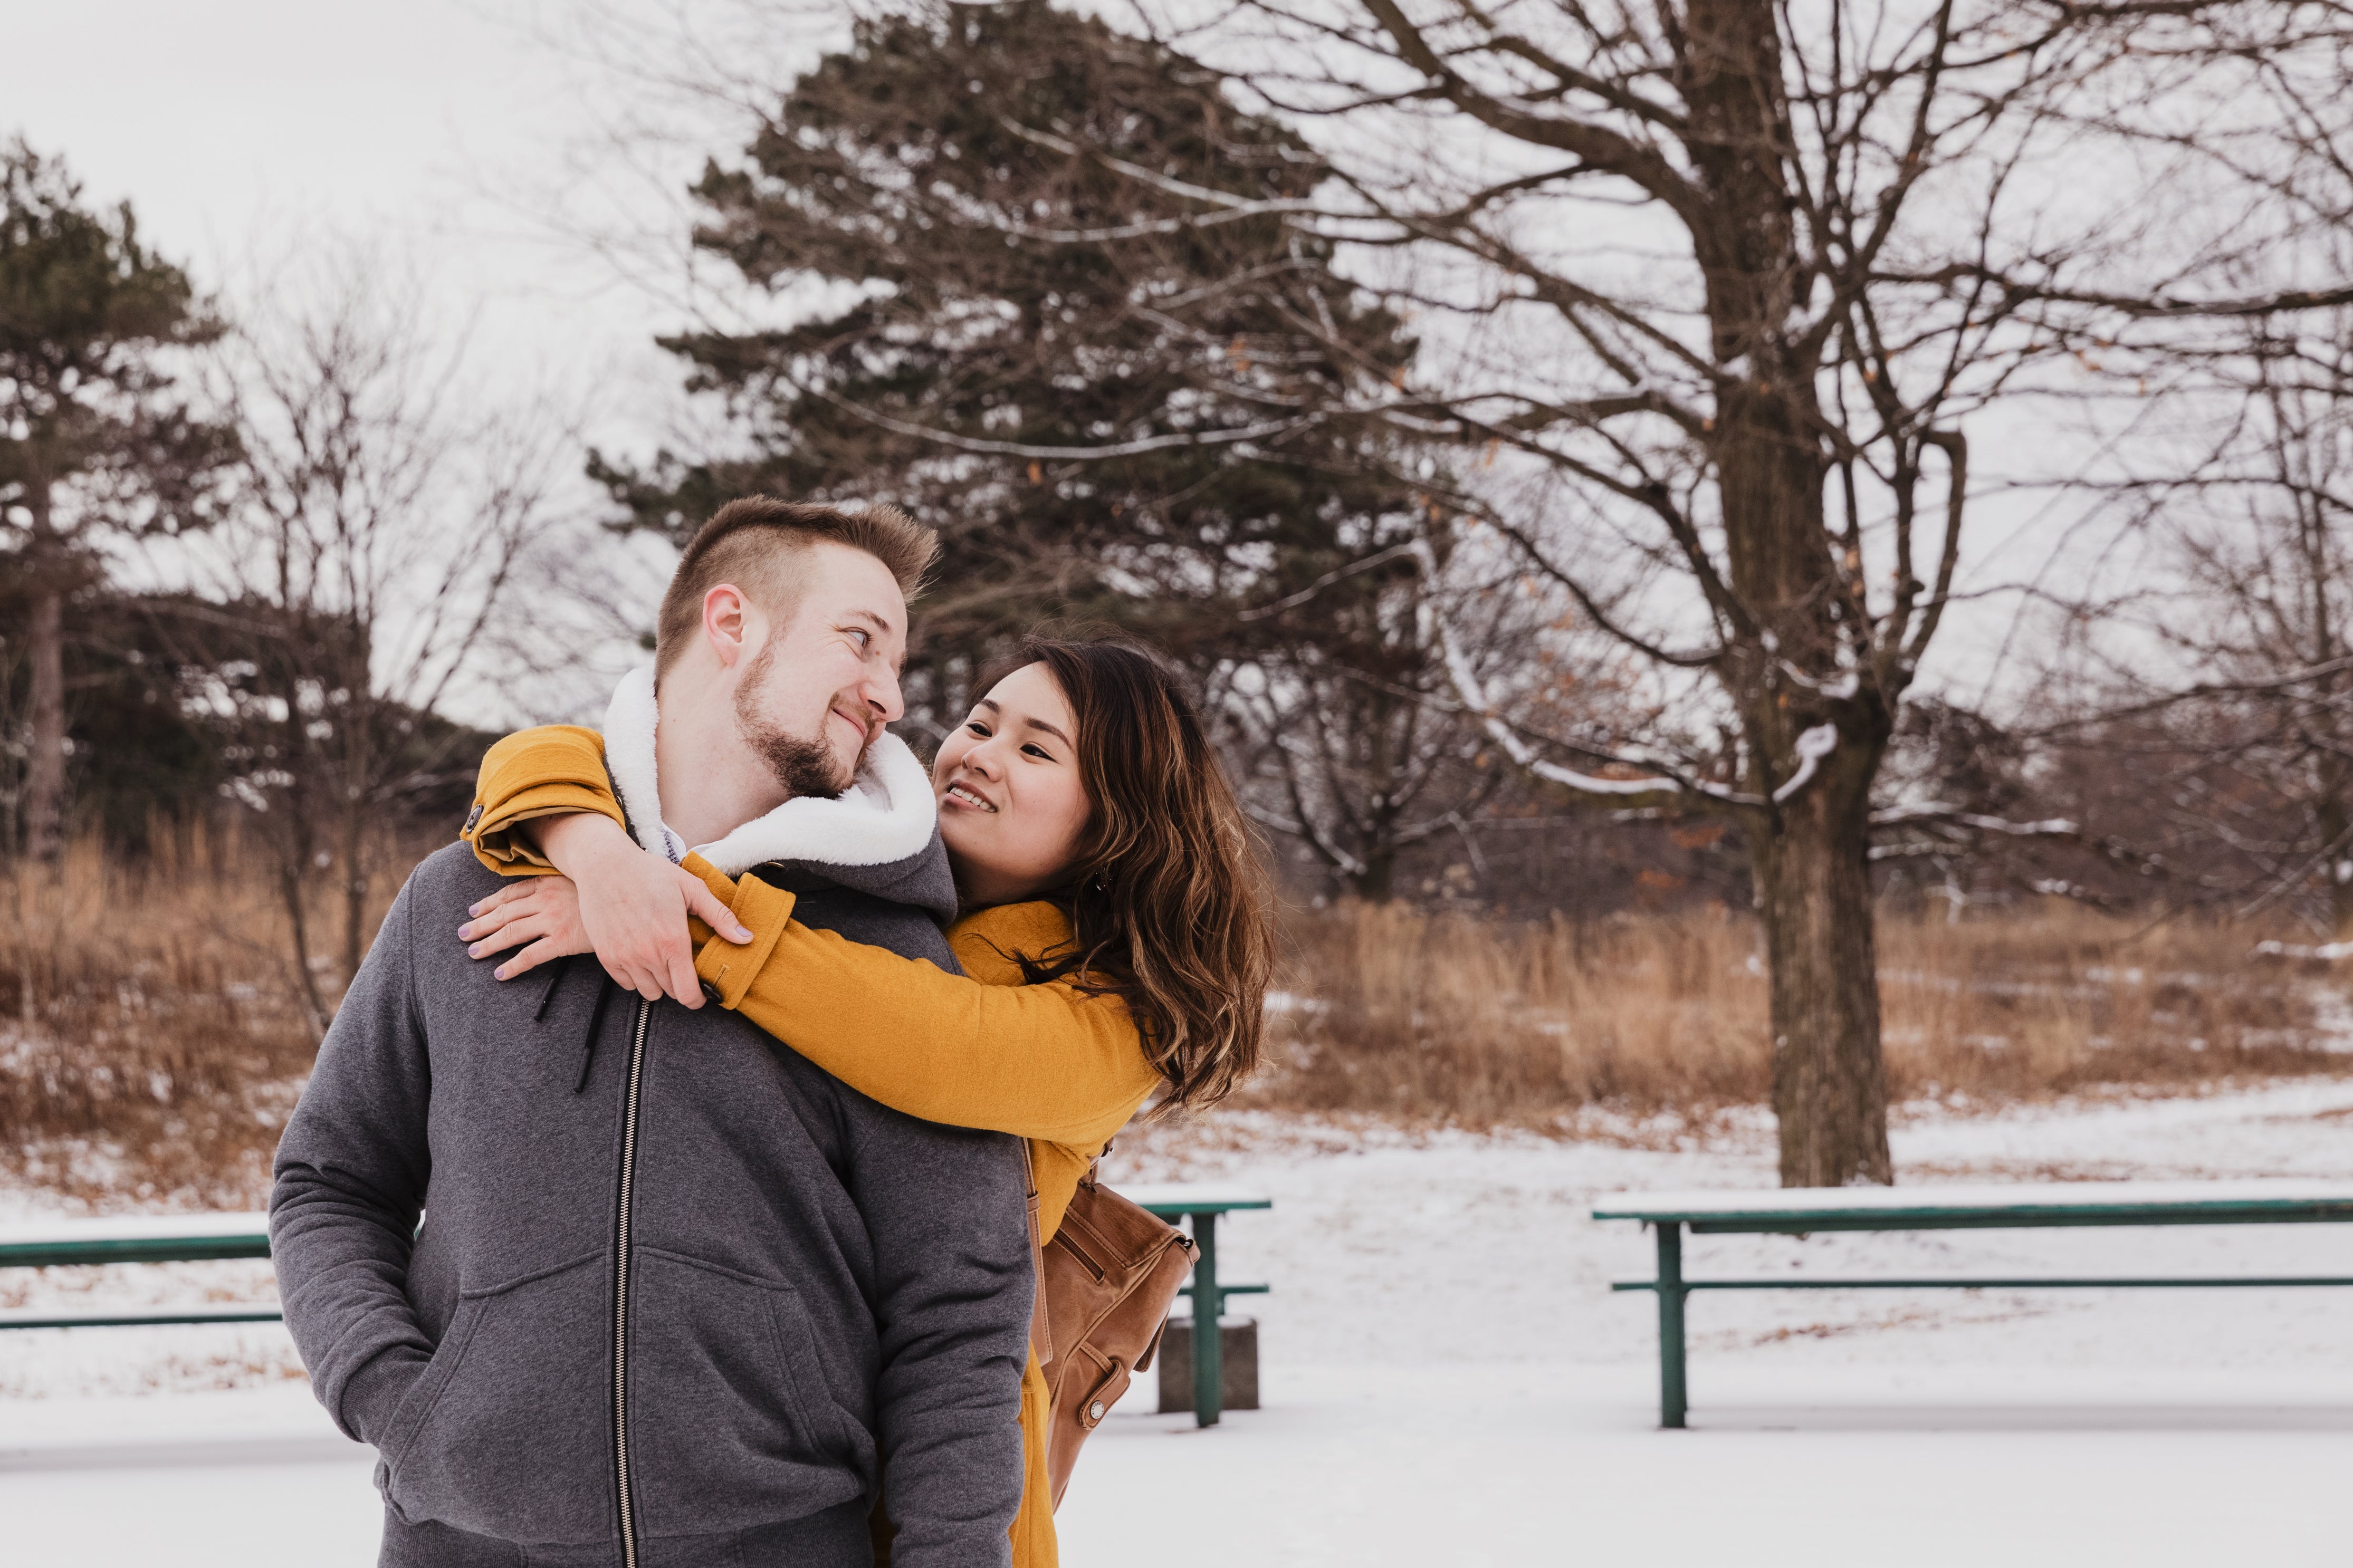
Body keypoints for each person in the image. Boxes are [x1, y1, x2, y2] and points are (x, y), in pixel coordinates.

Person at [271, 498, 1036, 1568]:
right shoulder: (460, 899)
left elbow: (957, 1309)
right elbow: (329, 1177)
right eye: (860, 639)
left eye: (899, 659)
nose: (891, 695)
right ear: (732, 623)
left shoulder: (888, 961)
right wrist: (396, 1395)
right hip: (460, 1543)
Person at [452, 630, 1274, 1568]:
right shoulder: (838, 851)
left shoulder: (1116, 1017)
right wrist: (599, 855)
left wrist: (684, 909)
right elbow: (548, 750)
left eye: (1036, 748)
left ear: (1116, 821)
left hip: (940, 1477)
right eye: (980, 722)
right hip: (734, 1449)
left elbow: (942, 1043)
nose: (978, 754)